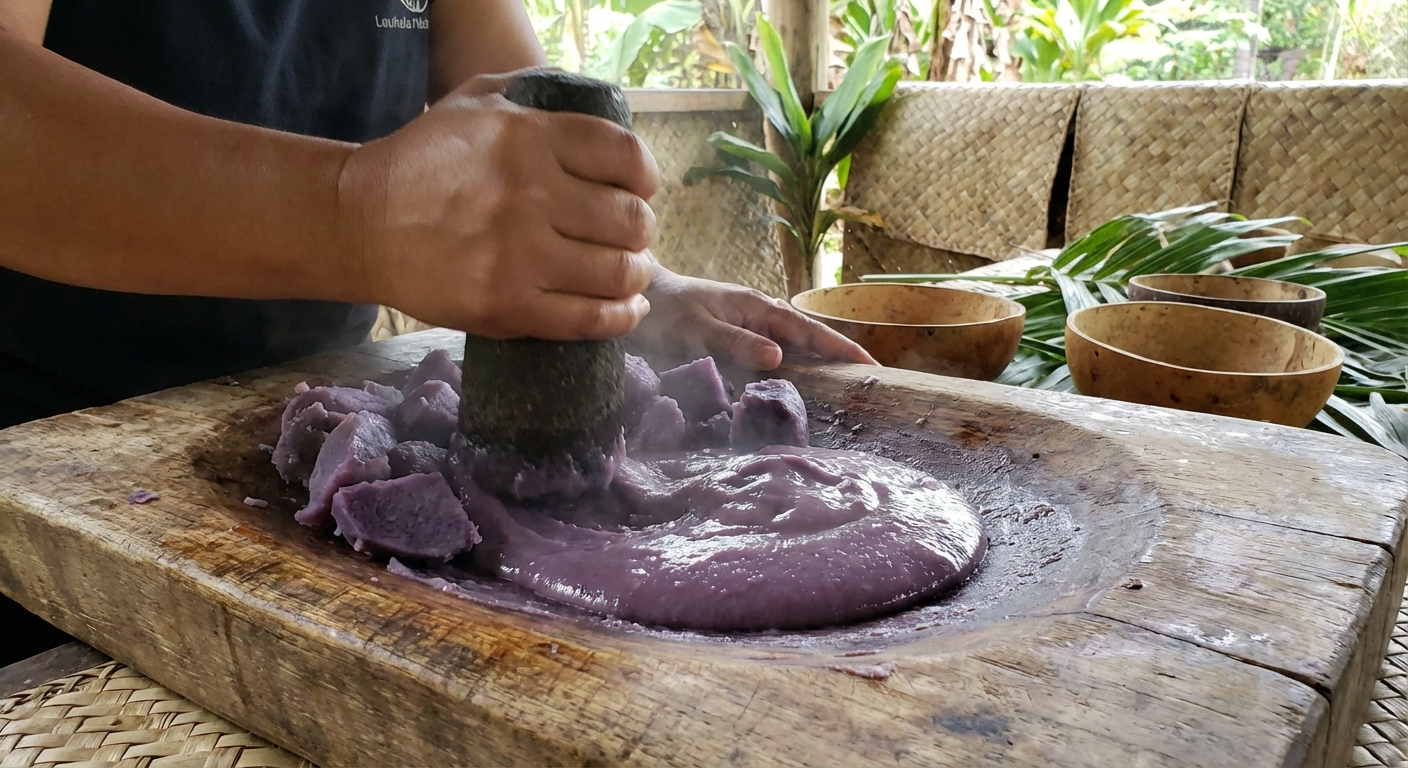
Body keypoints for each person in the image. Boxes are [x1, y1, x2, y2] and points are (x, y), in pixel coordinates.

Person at [0, 0, 875, 667]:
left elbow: (524, 120)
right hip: (43, 482)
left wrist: (636, 285)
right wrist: (352, 212)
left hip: (310, 457)